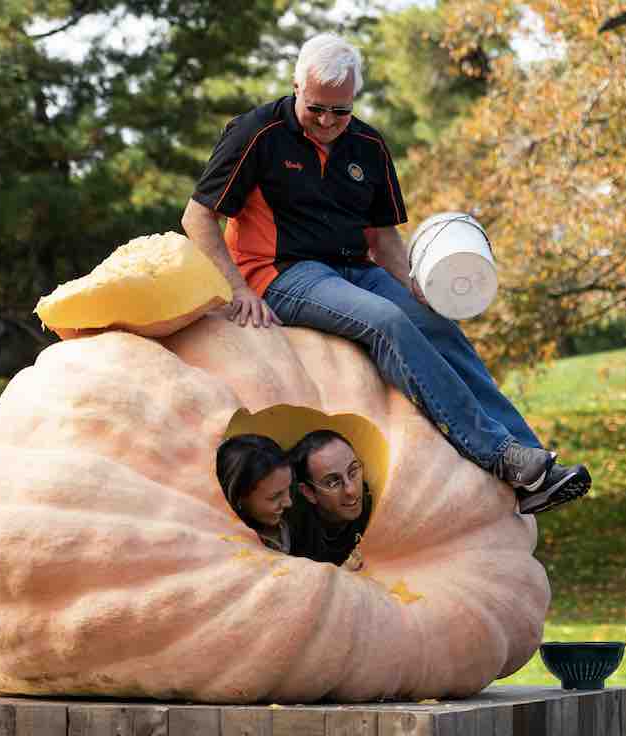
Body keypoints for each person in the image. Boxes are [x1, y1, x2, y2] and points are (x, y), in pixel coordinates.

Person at [184, 33, 590, 515]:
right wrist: (235, 289)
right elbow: (197, 217)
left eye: (341, 111)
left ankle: (534, 467)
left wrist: (412, 284)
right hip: (283, 273)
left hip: (357, 267)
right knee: (386, 321)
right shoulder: (255, 133)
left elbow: (384, 238)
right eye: (317, 108)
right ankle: (498, 454)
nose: (328, 121)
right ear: (296, 85)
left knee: (435, 325)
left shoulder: (369, 145)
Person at [288, 430, 372, 568]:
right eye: (333, 482)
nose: (351, 490)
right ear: (309, 493)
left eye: (353, 472)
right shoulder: (289, 528)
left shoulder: (376, 508)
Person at [216, 434, 294, 553]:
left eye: (289, 487)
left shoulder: (294, 517)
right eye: (275, 496)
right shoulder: (225, 547)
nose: (289, 502)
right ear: (238, 498)